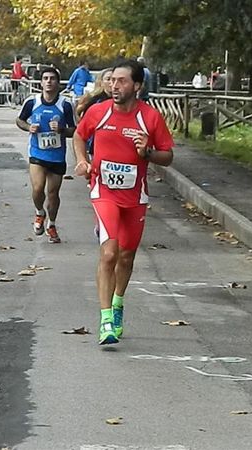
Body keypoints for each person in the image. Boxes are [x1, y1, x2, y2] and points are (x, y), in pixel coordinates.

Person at [73, 59, 174, 345]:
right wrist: (83, 160)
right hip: (103, 192)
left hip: (135, 196)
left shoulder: (150, 118)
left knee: (127, 256)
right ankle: (105, 320)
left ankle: (117, 304)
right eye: (112, 80)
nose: (115, 86)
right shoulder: (98, 112)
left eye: (122, 81)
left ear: (137, 86)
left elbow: (167, 156)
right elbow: (79, 136)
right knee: (109, 254)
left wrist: (149, 153)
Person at [16, 67, 76, 244]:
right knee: (37, 188)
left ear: (58, 83)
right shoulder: (31, 102)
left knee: (53, 194)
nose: (49, 81)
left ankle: (52, 223)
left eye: (52, 79)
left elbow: (74, 131)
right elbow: (19, 120)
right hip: (37, 152)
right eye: (45, 78)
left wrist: (62, 130)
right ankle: (39, 213)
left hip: (57, 156)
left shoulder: (66, 104)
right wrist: (29, 128)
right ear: (41, 82)